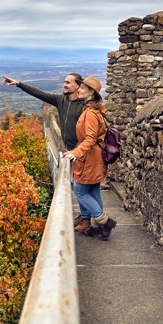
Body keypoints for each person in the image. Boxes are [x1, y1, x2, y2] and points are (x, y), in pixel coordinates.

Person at [61, 76, 117, 240]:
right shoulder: (92, 109)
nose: (78, 90)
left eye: (82, 88)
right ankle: (95, 227)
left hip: (91, 157)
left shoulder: (91, 113)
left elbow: (90, 138)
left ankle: (105, 222)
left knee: (79, 190)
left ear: (91, 92)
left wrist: (75, 152)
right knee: (93, 190)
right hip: (94, 156)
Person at [1, 73, 85, 151]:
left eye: (68, 83)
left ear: (77, 85)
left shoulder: (85, 105)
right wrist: (19, 84)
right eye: (64, 82)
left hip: (82, 152)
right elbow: (40, 94)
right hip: (68, 150)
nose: (64, 85)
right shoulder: (60, 100)